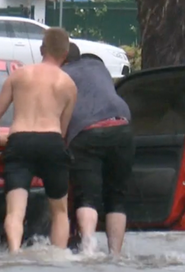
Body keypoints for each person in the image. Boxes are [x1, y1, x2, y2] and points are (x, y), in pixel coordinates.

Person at [0, 28, 77, 253]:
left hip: (19, 141)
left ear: (41, 49)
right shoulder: (68, 85)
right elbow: (63, 131)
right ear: (65, 54)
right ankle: (58, 259)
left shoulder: (19, 75)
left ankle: (15, 253)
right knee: (60, 211)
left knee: (15, 212)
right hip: (52, 142)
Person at [62, 43, 134, 256]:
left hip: (87, 132)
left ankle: (88, 250)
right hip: (122, 126)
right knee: (117, 197)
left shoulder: (61, 74)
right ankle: (115, 255)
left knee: (87, 197)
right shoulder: (98, 66)